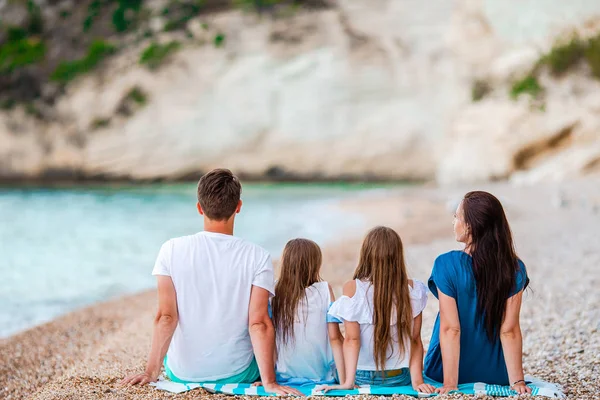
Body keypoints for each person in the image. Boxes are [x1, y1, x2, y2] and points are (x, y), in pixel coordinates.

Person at [120, 168, 301, 396]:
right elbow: (259, 324)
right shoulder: (258, 255)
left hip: (182, 373)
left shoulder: (170, 249)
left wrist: (150, 372)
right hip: (238, 373)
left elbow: (167, 316)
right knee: (265, 306)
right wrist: (270, 383)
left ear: (199, 207)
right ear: (238, 207)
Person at [424, 191, 531, 395]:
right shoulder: (515, 268)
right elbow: (509, 330)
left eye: (457, 217)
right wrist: (517, 381)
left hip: (443, 370)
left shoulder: (445, 264)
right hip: (497, 373)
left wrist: (450, 385)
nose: (453, 222)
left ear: (470, 226)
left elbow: (450, 329)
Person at [320, 226, 435, 394]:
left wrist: (348, 383)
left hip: (361, 377)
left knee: (331, 362)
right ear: (397, 256)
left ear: (366, 255)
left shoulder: (353, 288)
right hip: (399, 376)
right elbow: (415, 340)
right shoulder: (412, 289)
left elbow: (352, 340)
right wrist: (417, 381)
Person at [271, 239, 345, 385]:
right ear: (315, 265)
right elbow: (335, 338)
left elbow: (269, 338)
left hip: (282, 376)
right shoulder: (324, 289)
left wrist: (268, 379)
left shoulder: (274, 289)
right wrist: (344, 382)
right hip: (321, 375)